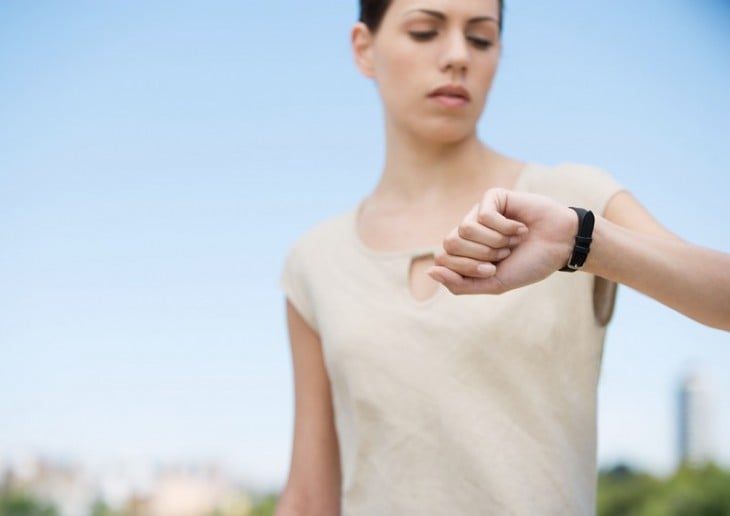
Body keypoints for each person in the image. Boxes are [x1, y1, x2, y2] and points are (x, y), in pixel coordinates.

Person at [275, 1, 730, 514]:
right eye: (425, 32)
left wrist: (583, 241)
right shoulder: (314, 260)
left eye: (481, 38)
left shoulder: (569, 197)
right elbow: (310, 496)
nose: (457, 56)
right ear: (364, 48)